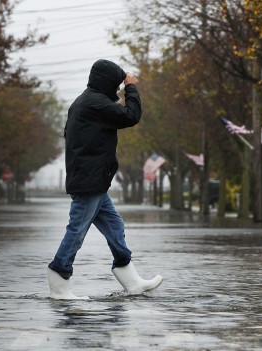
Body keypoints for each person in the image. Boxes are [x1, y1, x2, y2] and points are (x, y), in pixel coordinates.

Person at [47, 59, 163, 300]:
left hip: (93, 180)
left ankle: (131, 281)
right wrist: (131, 87)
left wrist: (122, 90)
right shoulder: (95, 103)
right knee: (77, 231)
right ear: (108, 81)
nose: (118, 86)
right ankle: (59, 281)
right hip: (90, 181)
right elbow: (131, 116)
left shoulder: (84, 102)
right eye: (117, 82)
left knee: (115, 227)